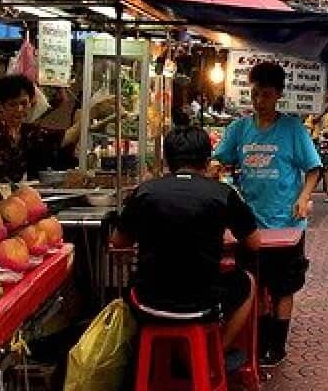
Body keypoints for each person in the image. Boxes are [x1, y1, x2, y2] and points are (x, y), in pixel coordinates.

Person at [111, 120, 261, 356]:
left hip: (147, 301)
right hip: (203, 302)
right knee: (247, 283)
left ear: (167, 160)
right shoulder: (223, 194)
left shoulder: (145, 191)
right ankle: (215, 354)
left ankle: (163, 359)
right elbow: (254, 242)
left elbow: (118, 242)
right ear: (207, 161)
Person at [213, 61, 322, 368]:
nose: (259, 100)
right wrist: (215, 170)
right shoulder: (239, 129)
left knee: (284, 286)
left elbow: (313, 168)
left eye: (266, 94)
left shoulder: (292, 129)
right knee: (255, 284)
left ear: (278, 95)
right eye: (255, 93)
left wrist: (303, 197)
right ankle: (260, 343)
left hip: (286, 223)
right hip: (250, 224)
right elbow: (219, 160)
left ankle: (278, 345)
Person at [0, 74, 94, 188]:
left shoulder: (29, 133)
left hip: (5, 201)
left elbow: (65, 138)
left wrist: (91, 113)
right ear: (1, 105)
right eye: (12, 104)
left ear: (30, 102)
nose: (19, 109)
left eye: (23, 103)